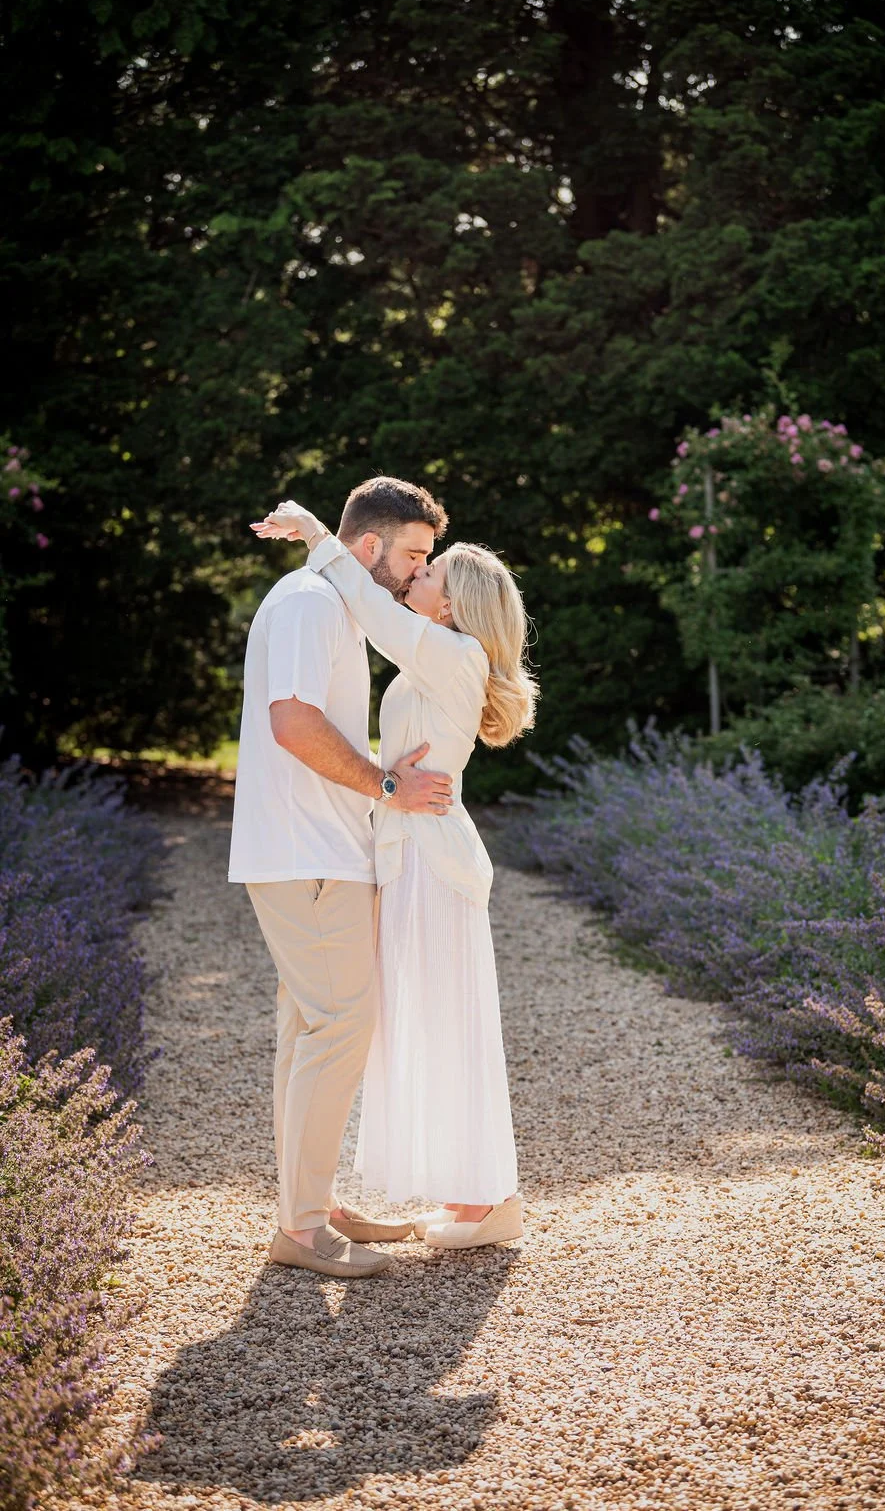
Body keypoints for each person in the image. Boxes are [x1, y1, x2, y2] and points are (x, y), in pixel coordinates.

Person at [253, 496, 538, 1250]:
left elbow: (377, 622)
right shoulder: (434, 654)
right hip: (405, 852)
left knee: (451, 1022)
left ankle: (492, 1200)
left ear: (455, 599)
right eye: (416, 557)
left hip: (432, 858)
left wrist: (319, 536)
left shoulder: (456, 655)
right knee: (415, 1024)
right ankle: (467, 1194)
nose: (418, 572)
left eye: (429, 567)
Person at [229, 477, 455, 1280]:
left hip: (319, 852)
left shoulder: (333, 604)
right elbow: (292, 722)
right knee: (339, 1030)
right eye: (414, 555)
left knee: (310, 1033)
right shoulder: (308, 605)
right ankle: (301, 1228)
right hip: (307, 854)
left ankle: (313, 1203)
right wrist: (386, 788)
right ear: (370, 548)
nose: (417, 570)